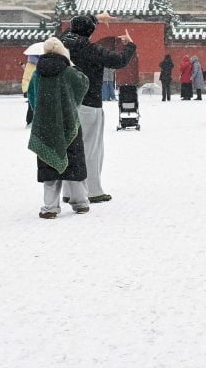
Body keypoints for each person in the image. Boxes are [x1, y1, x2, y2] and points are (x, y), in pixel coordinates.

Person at [60, 11, 136, 204]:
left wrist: (93, 18)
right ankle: (93, 190)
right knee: (91, 148)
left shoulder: (62, 42)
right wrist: (130, 45)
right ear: (90, 31)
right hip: (89, 102)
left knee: (70, 146)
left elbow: (74, 28)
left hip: (67, 103)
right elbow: (119, 61)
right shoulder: (91, 50)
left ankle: (69, 191)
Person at [27, 37, 90, 218]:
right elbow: (83, 84)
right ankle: (81, 203)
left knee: (49, 165)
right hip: (69, 122)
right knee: (74, 164)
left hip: (45, 125)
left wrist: (43, 112)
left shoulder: (37, 74)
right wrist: (71, 104)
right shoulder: (69, 72)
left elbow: (32, 97)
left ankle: (50, 207)